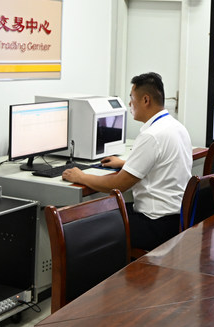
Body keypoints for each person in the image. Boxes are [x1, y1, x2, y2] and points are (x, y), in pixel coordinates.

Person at [62, 72, 192, 251]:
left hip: (155, 225)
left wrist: (80, 176)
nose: (130, 104)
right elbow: (164, 164)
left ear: (145, 100)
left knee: (90, 225)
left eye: (131, 98)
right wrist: (126, 164)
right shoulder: (176, 127)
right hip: (177, 220)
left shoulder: (151, 135)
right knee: (106, 212)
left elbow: (117, 185)